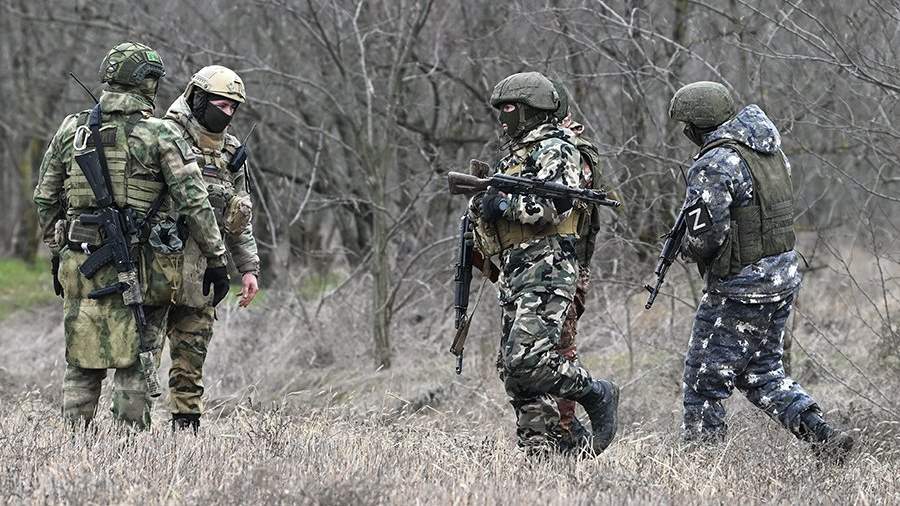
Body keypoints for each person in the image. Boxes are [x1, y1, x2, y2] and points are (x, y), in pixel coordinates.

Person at [33, 42, 229, 430]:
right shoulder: (159, 134)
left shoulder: (73, 130)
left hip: (80, 261)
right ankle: (128, 447)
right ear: (148, 83)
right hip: (140, 267)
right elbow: (195, 203)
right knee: (137, 359)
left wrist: (58, 251)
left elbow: (45, 198)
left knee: (81, 359)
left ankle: (74, 443)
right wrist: (218, 259)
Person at [669, 81, 854, 459]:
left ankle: (700, 466)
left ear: (697, 125)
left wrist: (685, 248)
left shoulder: (714, 163)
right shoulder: (769, 151)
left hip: (741, 287)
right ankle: (824, 438)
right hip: (781, 278)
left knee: (703, 379)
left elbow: (707, 236)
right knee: (763, 372)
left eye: (687, 125)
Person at [469, 71, 618, 455]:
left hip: (547, 266)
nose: (503, 117)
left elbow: (555, 206)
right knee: (514, 372)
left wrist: (502, 203)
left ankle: (596, 392)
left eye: (509, 108)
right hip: (516, 269)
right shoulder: (516, 154)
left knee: (528, 360)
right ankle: (544, 452)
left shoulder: (557, 147)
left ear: (530, 109)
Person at [162, 65, 261, 432]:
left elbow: (239, 215)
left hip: (205, 271)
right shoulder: (164, 136)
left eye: (234, 107)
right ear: (198, 98)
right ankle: (130, 431)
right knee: (142, 357)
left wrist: (248, 268)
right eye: (221, 104)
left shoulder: (231, 151)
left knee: (192, 356)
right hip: (157, 266)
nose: (228, 113)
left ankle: (185, 428)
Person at [546, 80, 608, 450]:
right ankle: (553, 435)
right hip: (540, 269)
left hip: (566, 268)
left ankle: (567, 432)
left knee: (559, 348)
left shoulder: (571, 151)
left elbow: (557, 207)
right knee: (535, 355)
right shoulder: (541, 147)